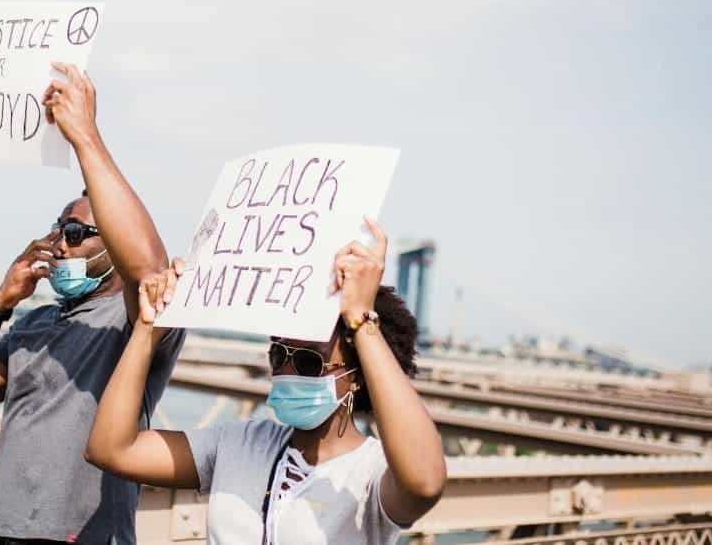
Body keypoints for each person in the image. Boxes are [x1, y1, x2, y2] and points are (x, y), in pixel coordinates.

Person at [0, 63, 185, 544]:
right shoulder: (35, 324)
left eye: (75, 233)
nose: (58, 243)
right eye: (57, 230)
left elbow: (149, 270)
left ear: (113, 243)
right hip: (3, 535)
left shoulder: (134, 324)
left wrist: (85, 136)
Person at [85, 217, 447, 543]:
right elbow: (112, 449)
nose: (287, 371)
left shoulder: (369, 474)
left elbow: (425, 482)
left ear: (357, 378)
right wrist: (147, 331)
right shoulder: (238, 443)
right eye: (278, 354)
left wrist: (360, 318)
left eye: (308, 361)